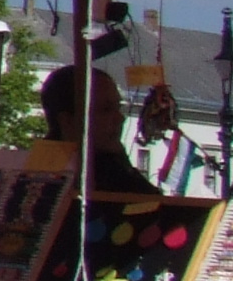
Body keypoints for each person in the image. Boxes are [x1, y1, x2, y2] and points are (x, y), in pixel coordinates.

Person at [38, 57, 161, 198]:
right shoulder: (43, 177)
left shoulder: (113, 168)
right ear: (68, 121)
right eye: (106, 109)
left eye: (118, 108)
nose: (120, 118)